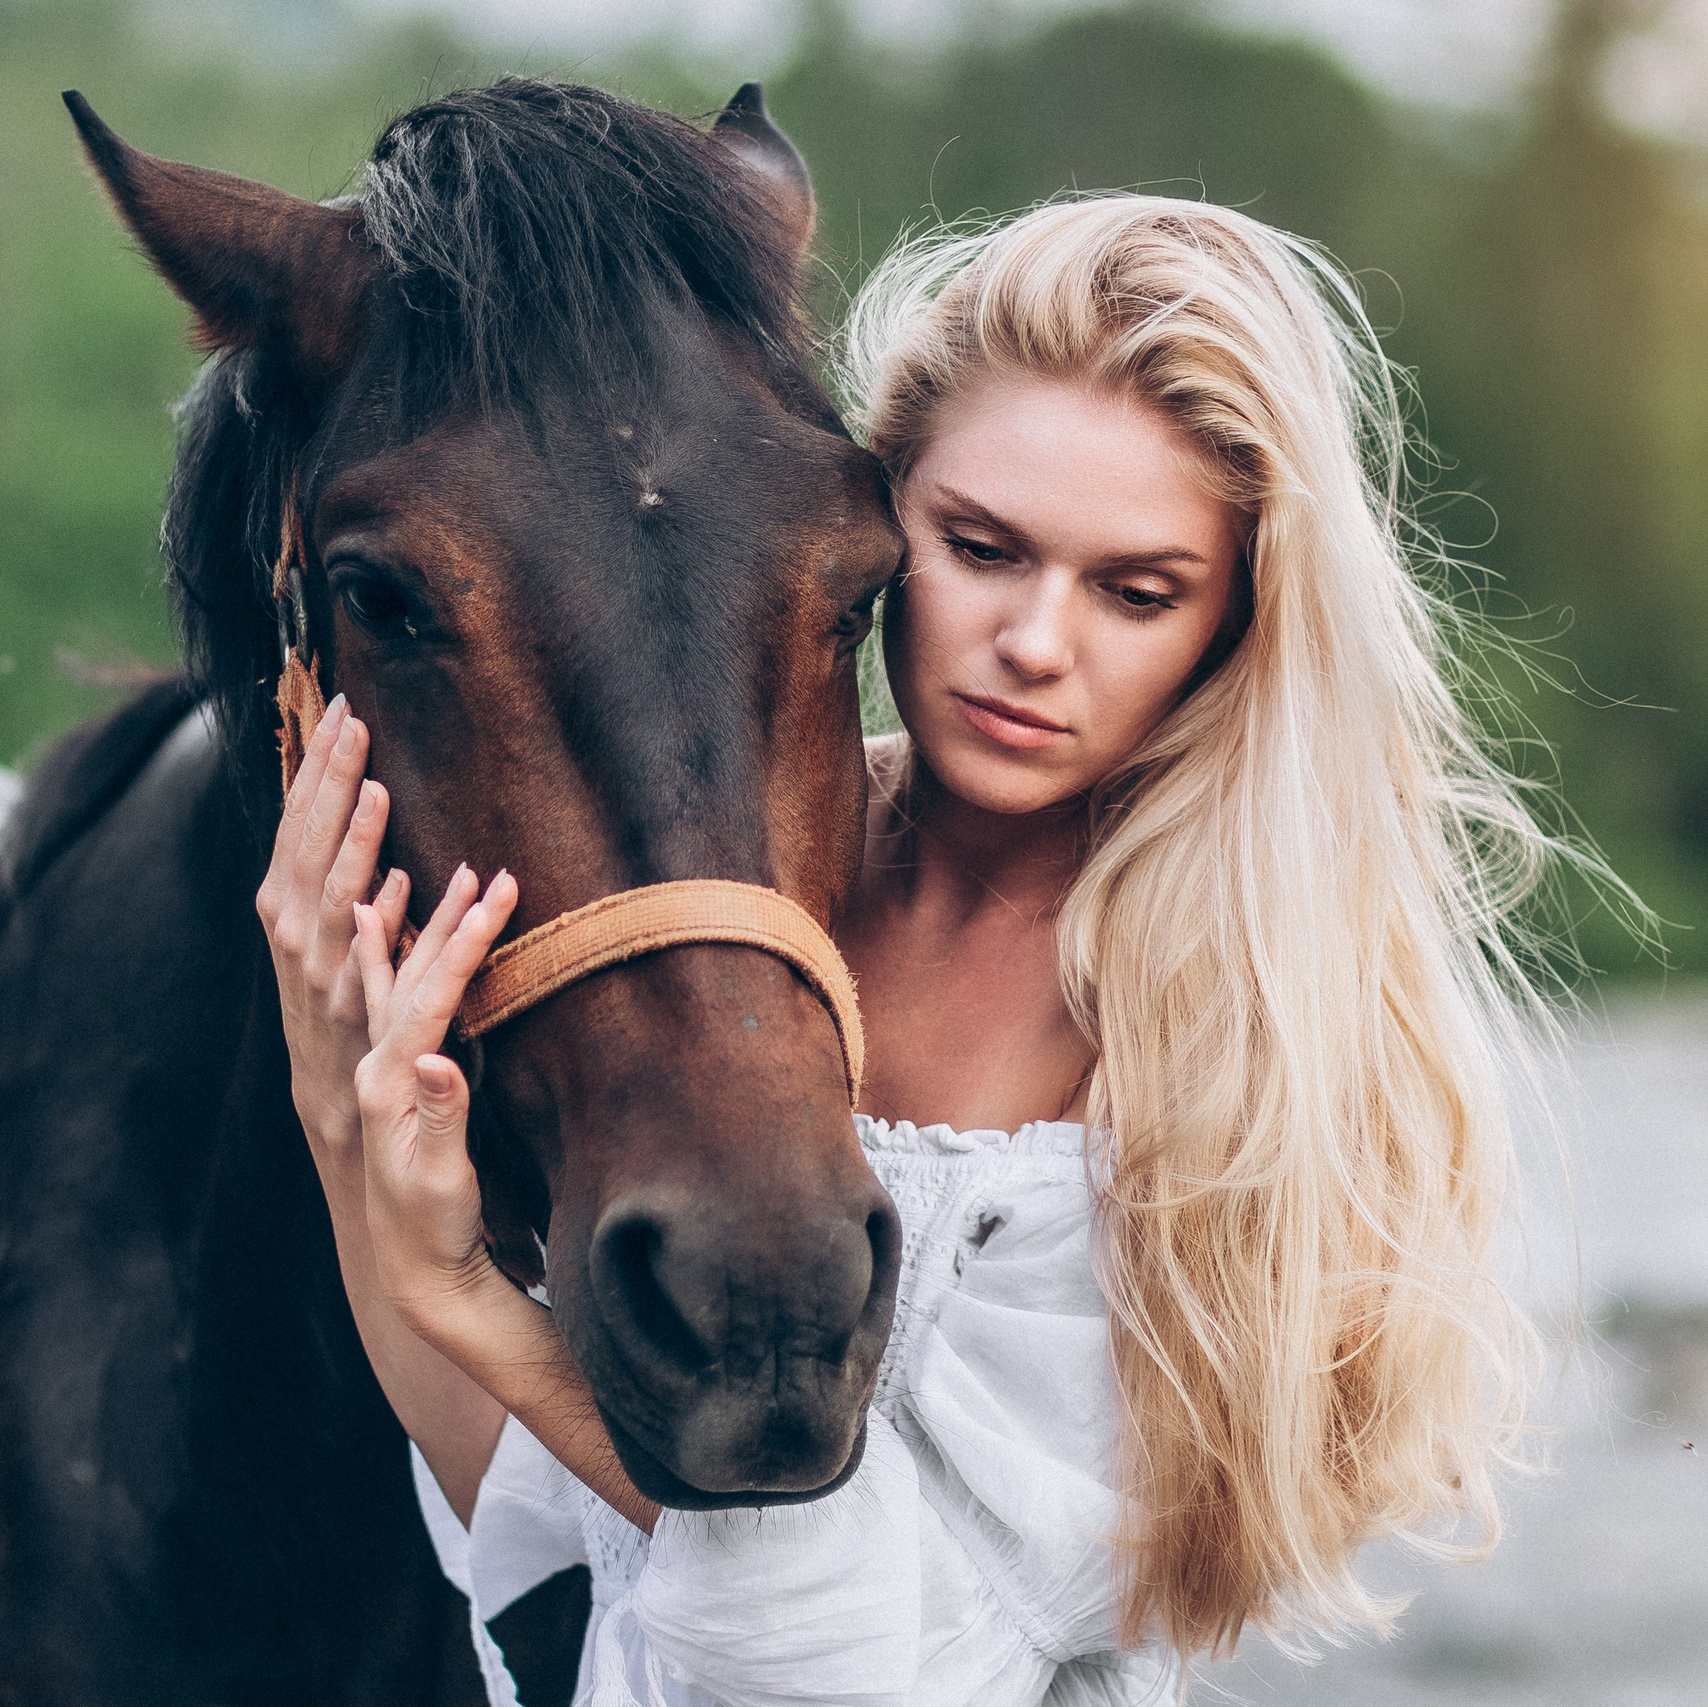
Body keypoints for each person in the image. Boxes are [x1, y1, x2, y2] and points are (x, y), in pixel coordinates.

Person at [260, 196, 1587, 1704]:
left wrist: (466, 1297)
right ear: (878, 527)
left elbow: (870, 1675)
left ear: (1236, 623)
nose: (1034, 641)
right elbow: (542, 1534)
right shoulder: (720, 920)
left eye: (1136, 591)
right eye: (981, 547)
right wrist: (337, 1104)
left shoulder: (1227, 1054)